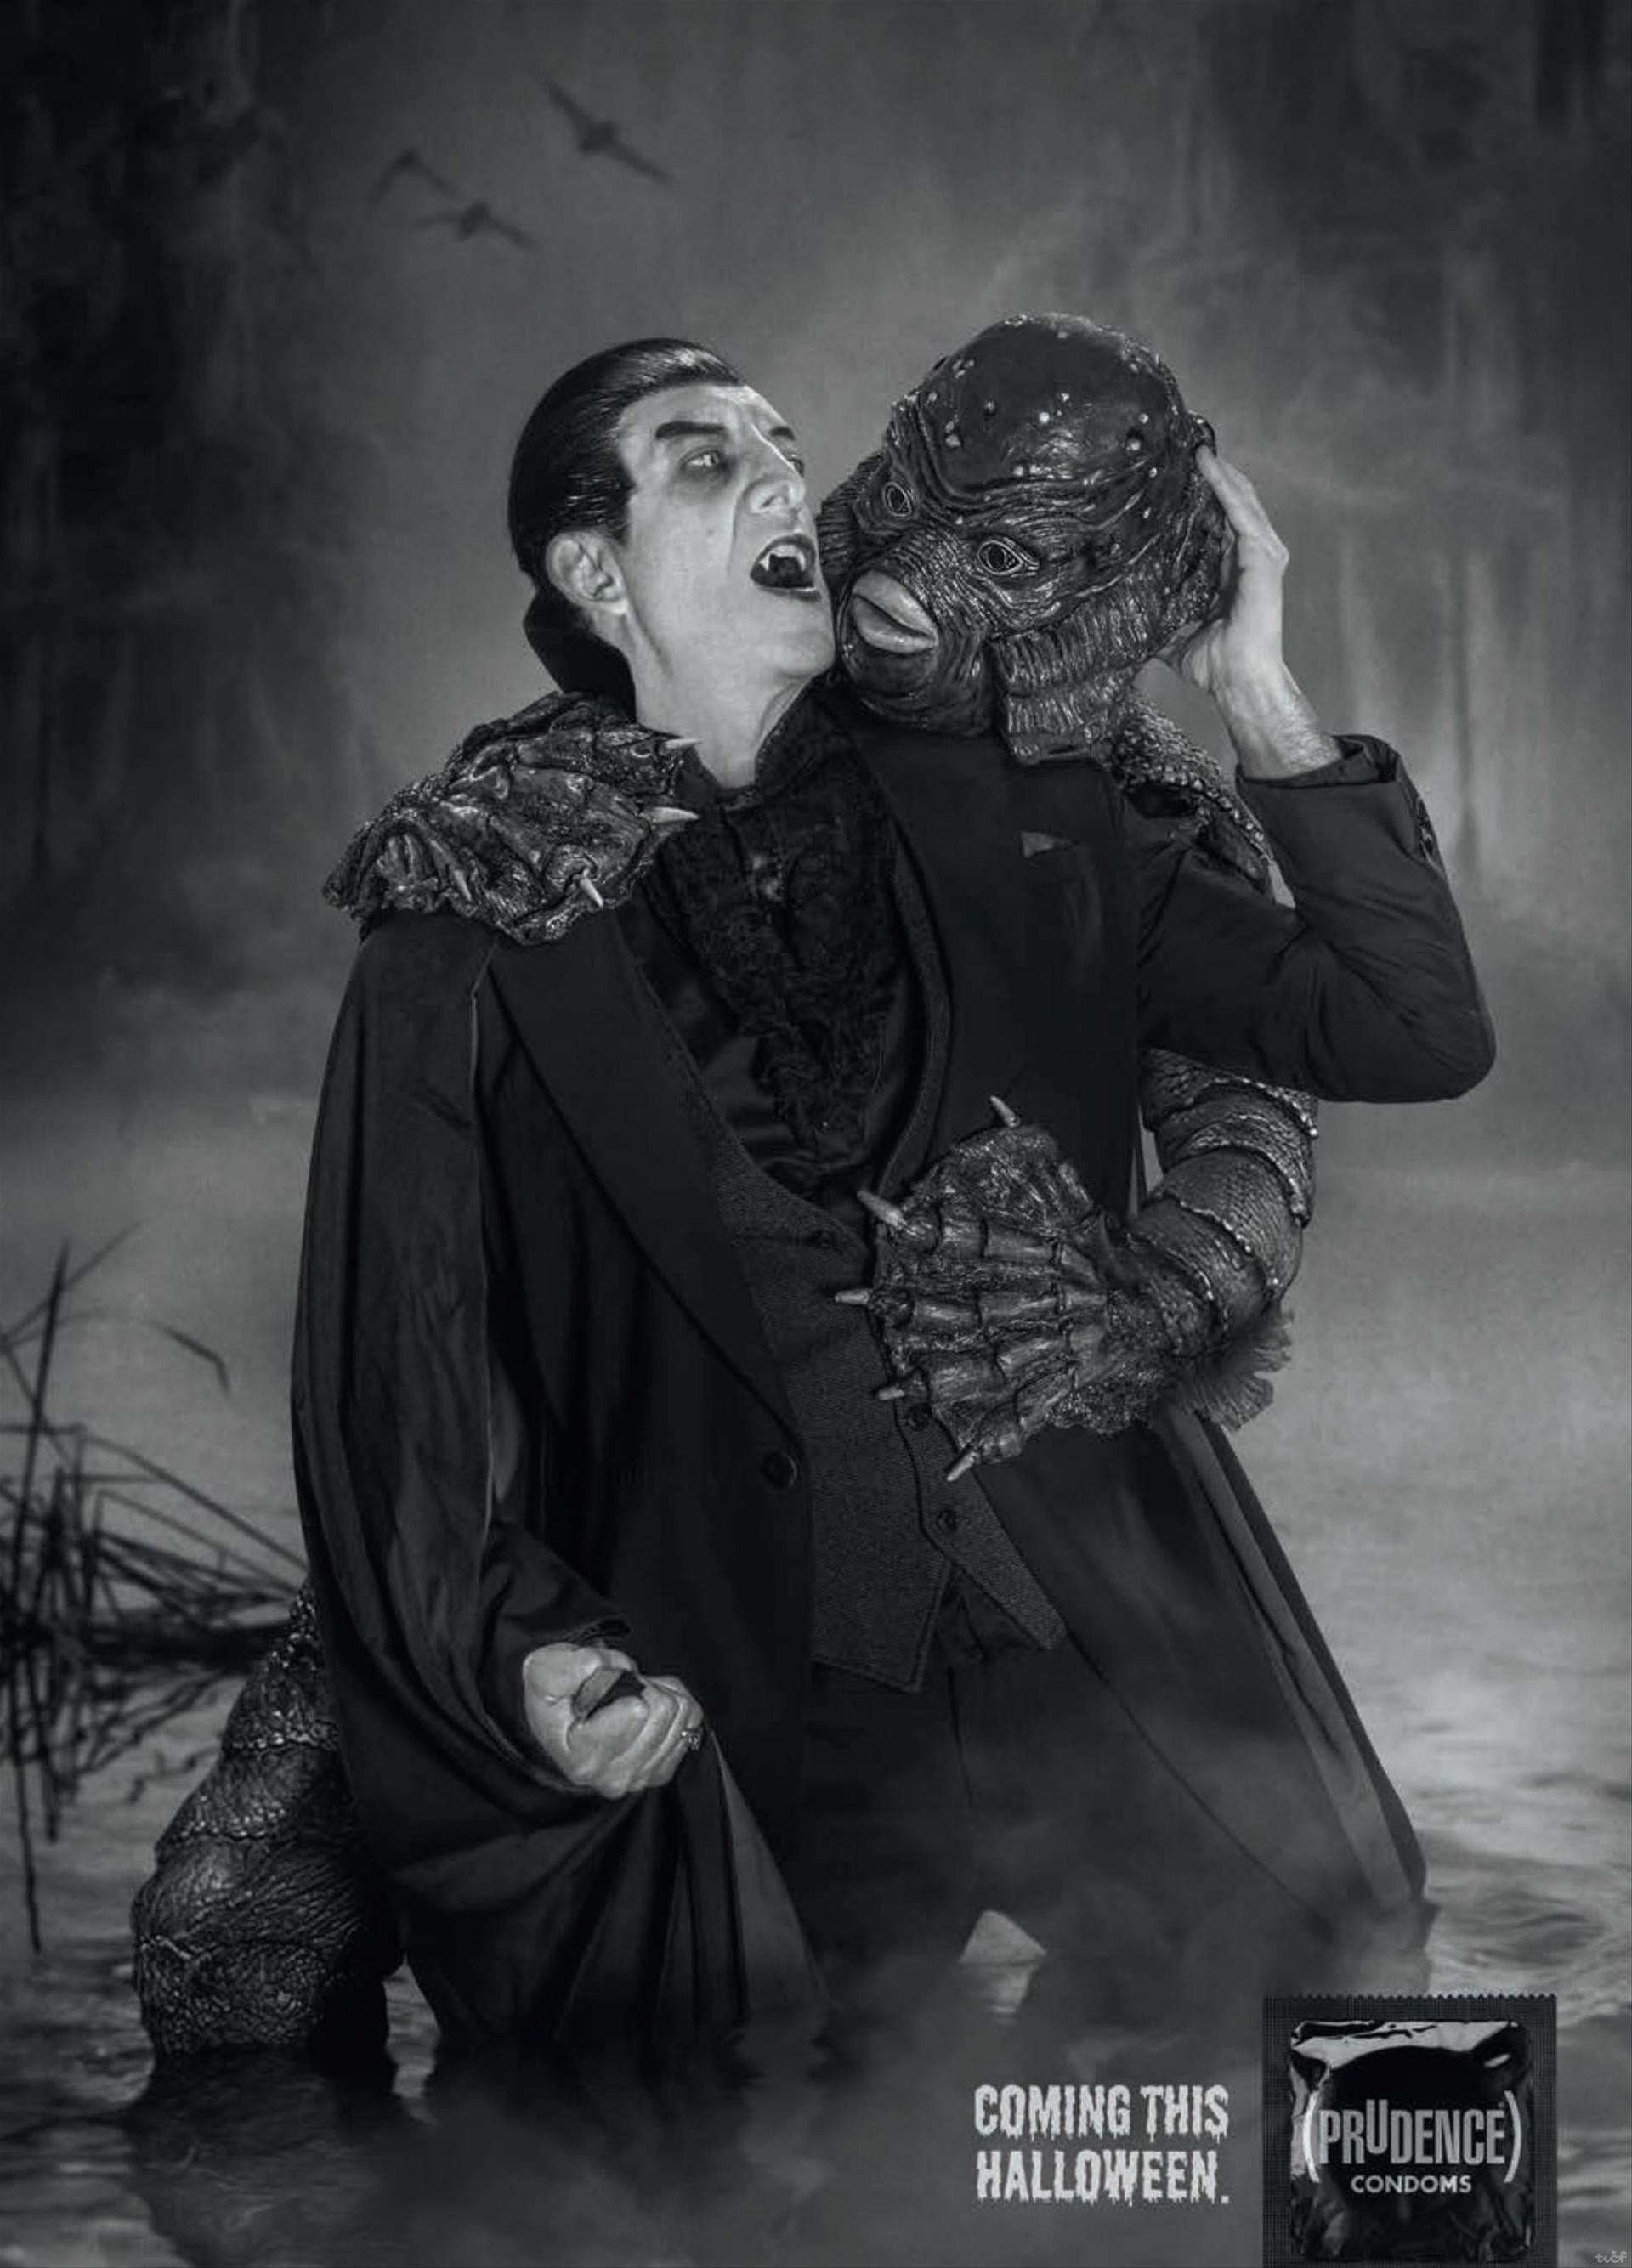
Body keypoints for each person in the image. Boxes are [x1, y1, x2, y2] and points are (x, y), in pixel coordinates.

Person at [136, 327, 1493, 2067]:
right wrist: (530, 1658)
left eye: (781, 440)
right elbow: (401, 1388)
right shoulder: (474, 921)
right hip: (756, 1704)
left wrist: (1261, 690)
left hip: (1083, 1642)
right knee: (722, 2117)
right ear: (593, 572)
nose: (783, 474)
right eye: (708, 458)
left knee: (1357, 2049)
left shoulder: (1046, 806)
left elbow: (1412, 1028)